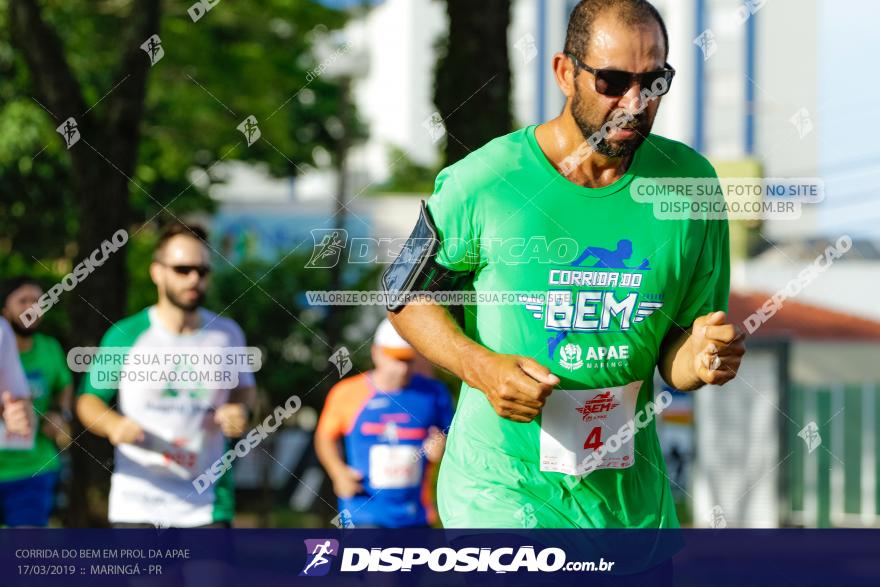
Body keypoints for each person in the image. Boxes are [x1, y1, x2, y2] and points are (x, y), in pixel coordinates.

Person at [385, 0, 745, 534]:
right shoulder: (487, 179)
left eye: (654, 81)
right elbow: (404, 293)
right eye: (613, 81)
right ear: (564, 72)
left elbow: (676, 353)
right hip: (500, 500)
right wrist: (480, 368)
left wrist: (703, 357)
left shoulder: (689, 185)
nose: (634, 101)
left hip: (629, 515)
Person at [77, 223, 256, 528]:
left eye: (203, 270)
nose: (194, 279)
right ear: (157, 272)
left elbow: (244, 389)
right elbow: (88, 401)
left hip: (207, 500)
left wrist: (240, 410)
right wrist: (112, 424)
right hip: (138, 500)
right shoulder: (126, 335)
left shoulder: (227, 334)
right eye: (183, 269)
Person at [315, 319, 453, 528]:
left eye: (408, 360)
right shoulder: (347, 393)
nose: (402, 368)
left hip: (417, 517)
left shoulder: (434, 393)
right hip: (363, 515)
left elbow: (452, 438)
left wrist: (441, 447)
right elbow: (324, 438)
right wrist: (338, 472)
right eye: (395, 358)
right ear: (376, 353)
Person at [0, 277, 73, 527]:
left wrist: (60, 413)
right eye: (23, 301)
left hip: (34, 470)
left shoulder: (50, 348)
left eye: (38, 301)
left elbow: (64, 384)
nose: (32, 307)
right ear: (4, 309)